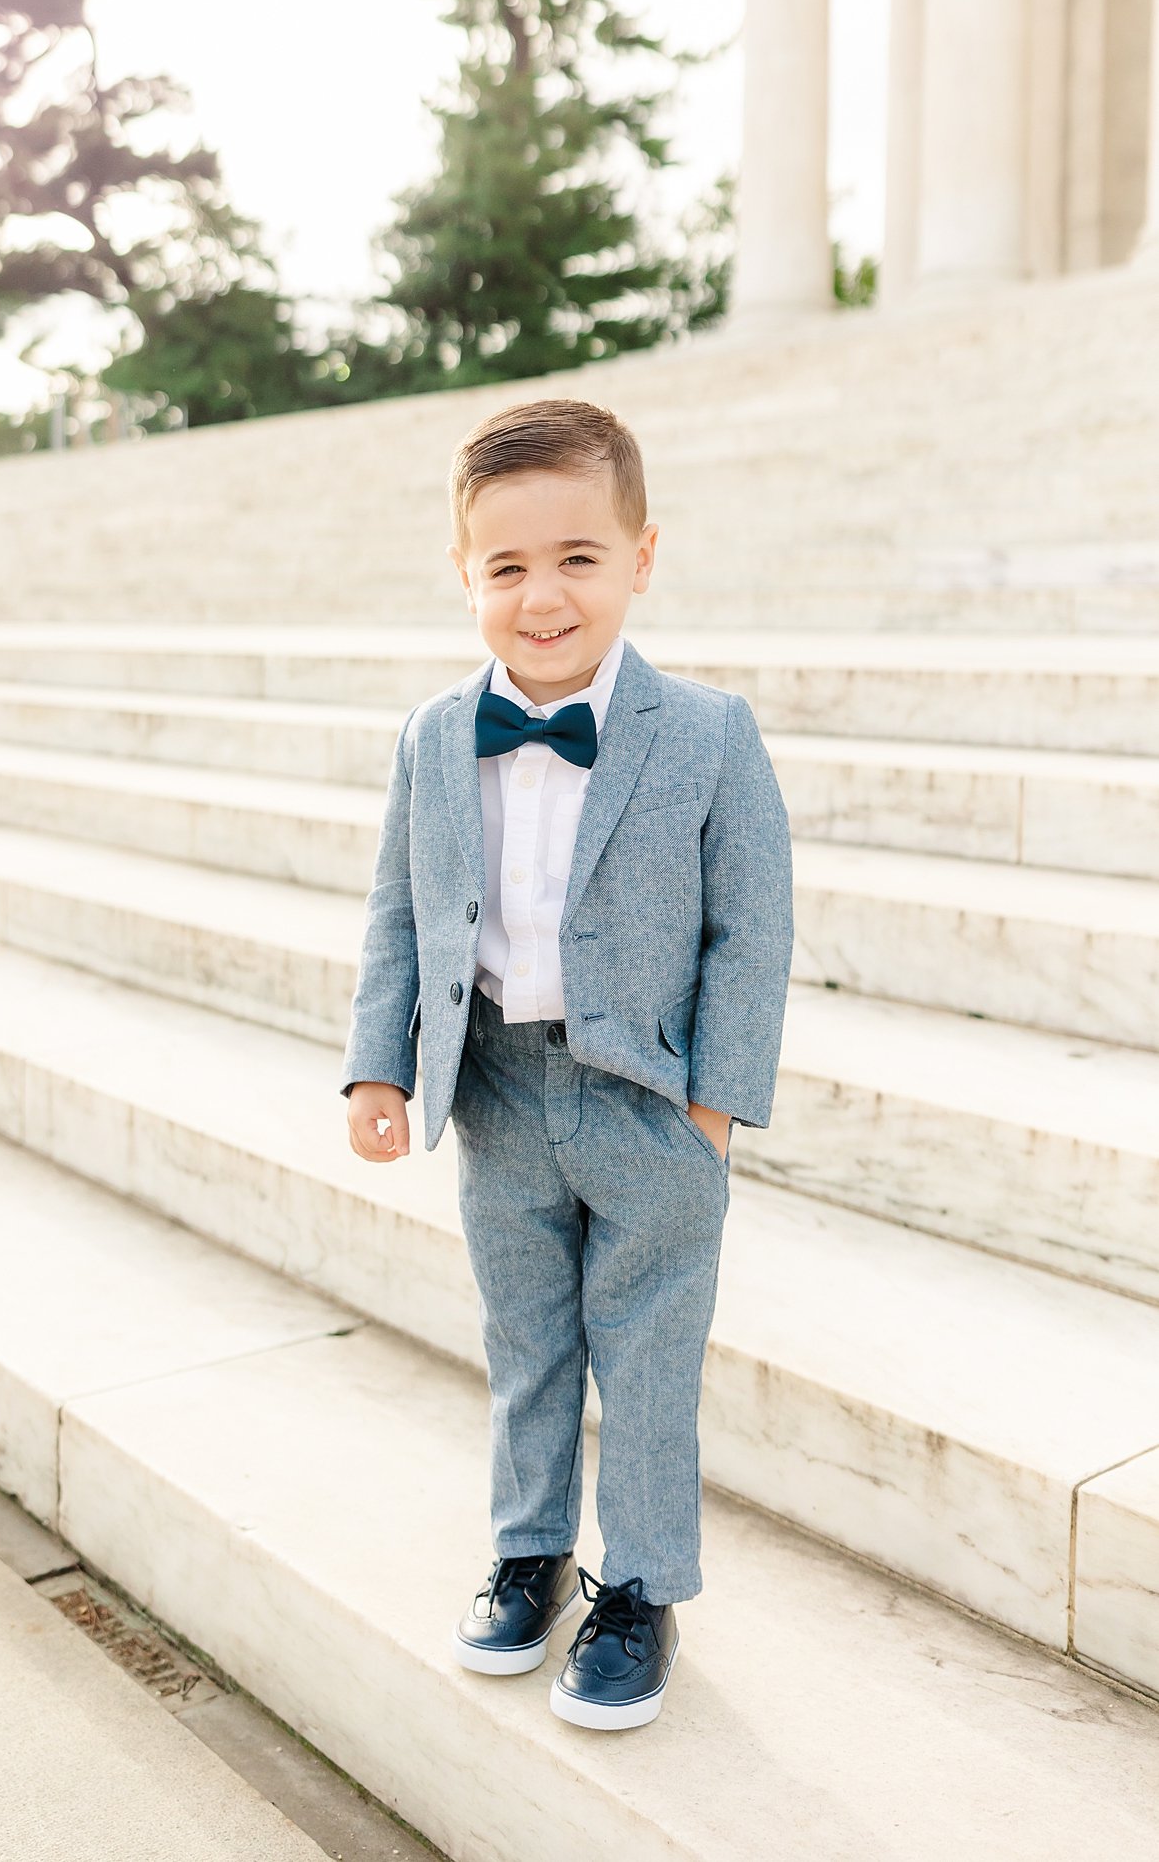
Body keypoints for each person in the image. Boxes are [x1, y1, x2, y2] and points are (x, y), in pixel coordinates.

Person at [340, 395, 794, 1732]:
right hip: (493, 1091)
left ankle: (641, 1585)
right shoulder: (432, 736)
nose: (545, 595)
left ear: (643, 555)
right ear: (465, 574)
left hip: (651, 1104)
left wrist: (713, 1112)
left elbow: (749, 934)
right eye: (509, 565)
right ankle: (528, 1549)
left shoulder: (708, 734)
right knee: (526, 1340)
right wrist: (382, 1070)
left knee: (647, 1358)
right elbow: (398, 915)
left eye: (579, 558)